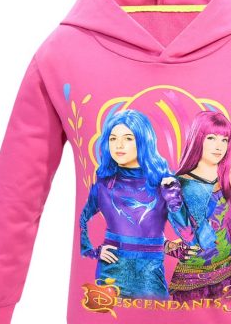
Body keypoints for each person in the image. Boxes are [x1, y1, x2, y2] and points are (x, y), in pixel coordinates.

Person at [79, 109, 185, 300]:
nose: (118, 145)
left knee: (156, 315)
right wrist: (92, 251)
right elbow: (82, 218)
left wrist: (173, 199)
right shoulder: (104, 184)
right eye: (113, 139)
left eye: (128, 138)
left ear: (143, 140)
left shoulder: (164, 182)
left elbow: (187, 233)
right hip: (111, 273)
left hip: (151, 276)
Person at [166, 111, 231, 302]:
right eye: (211, 138)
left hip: (228, 267)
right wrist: (170, 247)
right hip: (193, 275)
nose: (219, 146)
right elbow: (149, 226)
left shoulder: (228, 174)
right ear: (198, 139)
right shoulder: (178, 183)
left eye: (224, 140)